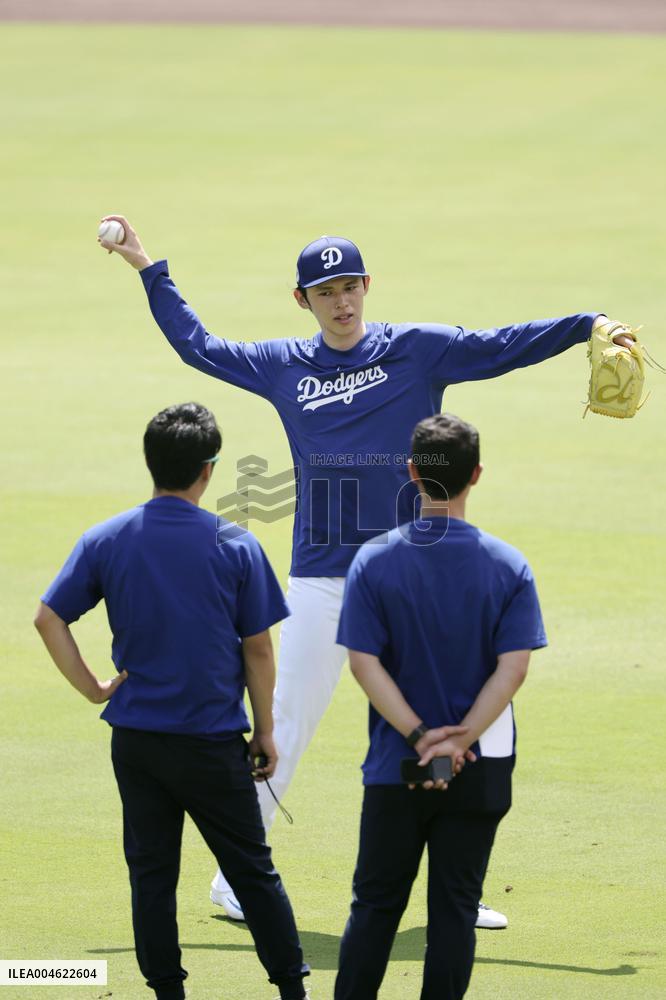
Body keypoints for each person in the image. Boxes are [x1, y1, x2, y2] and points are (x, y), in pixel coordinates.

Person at [98, 216, 632, 929]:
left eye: (351, 286)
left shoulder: (417, 351)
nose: (342, 301)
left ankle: (455, 888)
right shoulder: (282, 362)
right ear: (303, 300)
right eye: (326, 291)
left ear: (367, 286)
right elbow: (200, 346)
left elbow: (501, 345)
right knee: (283, 720)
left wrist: (586, 324)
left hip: (411, 577)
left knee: (439, 724)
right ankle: (235, 876)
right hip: (323, 575)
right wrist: (145, 267)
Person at [33, 403, 309, 1000]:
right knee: (252, 872)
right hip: (210, 743)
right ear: (208, 469)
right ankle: (292, 990)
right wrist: (265, 732)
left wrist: (94, 689)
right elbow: (257, 650)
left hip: (135, 742)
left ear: (150, 462)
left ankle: (168, 992)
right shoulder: (235, 542)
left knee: (151, 876)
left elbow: (48, 618)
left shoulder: (105, 538)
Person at [334, 412, 546, 999]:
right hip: (480, 768)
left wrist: (420, 735)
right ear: (476, 474)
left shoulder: (375, 561)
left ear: (411, 473)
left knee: (375, 905)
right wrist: (461, 738)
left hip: (394, 767)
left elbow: (363, 662)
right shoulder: (508, 566)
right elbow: (514, 666)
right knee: (454, 909)